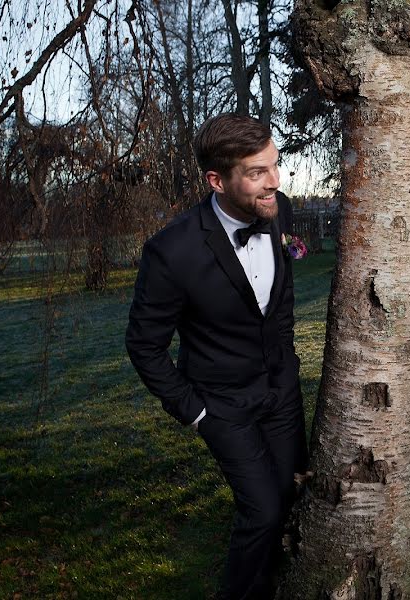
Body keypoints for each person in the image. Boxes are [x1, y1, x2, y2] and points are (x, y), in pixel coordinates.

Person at [125, 113, 307, 600]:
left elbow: (280, 301)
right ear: (216, 180)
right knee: (262, 511)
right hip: (223, 405)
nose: (275, 182)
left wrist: (285, 361)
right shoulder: (171, 251)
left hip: (282, 393)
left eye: (275, 165)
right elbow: (143, 345)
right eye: (257, 173)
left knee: (290, 495)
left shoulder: (279, 210)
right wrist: (196, 412)